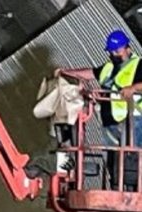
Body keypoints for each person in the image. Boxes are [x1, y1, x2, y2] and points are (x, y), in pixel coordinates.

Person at [56, 30, 142, 189]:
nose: (113, 54)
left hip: (133, 121)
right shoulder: (108, 67)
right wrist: (66, 72)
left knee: (131, 158)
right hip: (110, 122)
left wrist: (133, 87)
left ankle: (135, 190)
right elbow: (90, 73)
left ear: (127, 48)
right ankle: (117, 188)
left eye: (117, 51)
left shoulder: (138, 64)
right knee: (113, 158)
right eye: (111, 51)